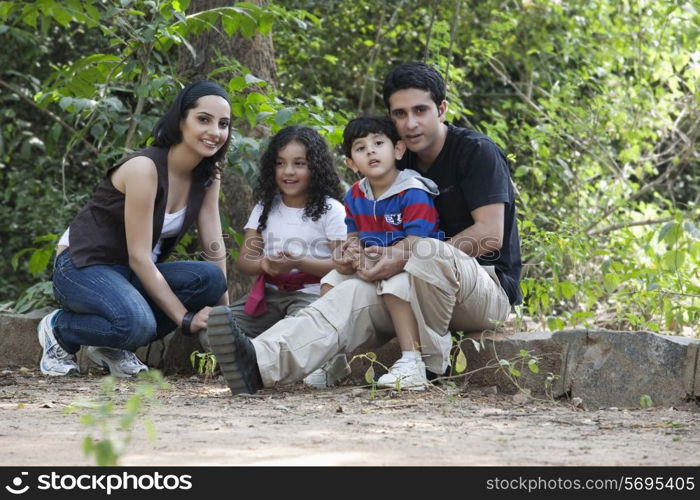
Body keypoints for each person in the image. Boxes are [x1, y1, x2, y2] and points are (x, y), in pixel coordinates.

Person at [206, 61, 521, 395]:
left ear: (441, 109)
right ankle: (259, 361)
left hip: (479, 291)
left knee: (427, 251)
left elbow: (489, 236)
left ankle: (427, 364)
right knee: (344, 292)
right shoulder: (395, 158)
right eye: (400, 114)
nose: (410, 123)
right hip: (406, 288)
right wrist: (353, 254)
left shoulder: (475, 153)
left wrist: (401, 256)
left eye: (420, 110)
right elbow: (364, 227)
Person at [37, 81, 230, 377]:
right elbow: (140, 257)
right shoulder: (144, 169)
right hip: (82, 266)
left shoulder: (208, 176)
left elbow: (214, 247)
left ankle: (110, 345)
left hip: (129, 273)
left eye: (223, 124)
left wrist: (224, 319)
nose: (215, 132)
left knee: (211, 280)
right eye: (203, 119)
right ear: (180, 120)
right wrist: (185, 319)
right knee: (137, 325)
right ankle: (60, 329)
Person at [201, 126, 348, 388]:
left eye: (299, 163)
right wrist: (265, 264)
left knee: (302, 329)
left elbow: (341, 265)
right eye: (281, 164)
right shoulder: (265, 207)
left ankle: (256, 354)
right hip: (268, 296)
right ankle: (257, 352)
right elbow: (245, 261)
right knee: (209, 331)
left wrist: (298, 262)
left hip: (310, 295)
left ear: (315, 167)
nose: (288, 171)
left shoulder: (330, 209)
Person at [319, 116, 442, 390]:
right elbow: (352, 235)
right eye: (360, 148)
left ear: (398, 150)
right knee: (329, 282)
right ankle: (336, 359)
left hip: (413, 268)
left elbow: (417, 242)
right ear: (351, 163)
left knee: (394, 285)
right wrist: (348, 252)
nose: (371, 151)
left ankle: (412, 361)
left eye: (378, 143)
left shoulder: (413, 191)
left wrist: (383, 258)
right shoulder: (354, 195)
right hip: (372, 264)